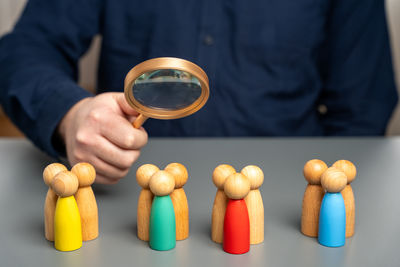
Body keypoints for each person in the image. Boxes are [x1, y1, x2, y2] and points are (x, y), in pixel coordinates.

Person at [0, 0, 397, 184]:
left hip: (292, 199)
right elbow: (25, 50)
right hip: (131, 191)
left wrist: (322, 197)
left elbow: (363, 105)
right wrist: (70, 116)